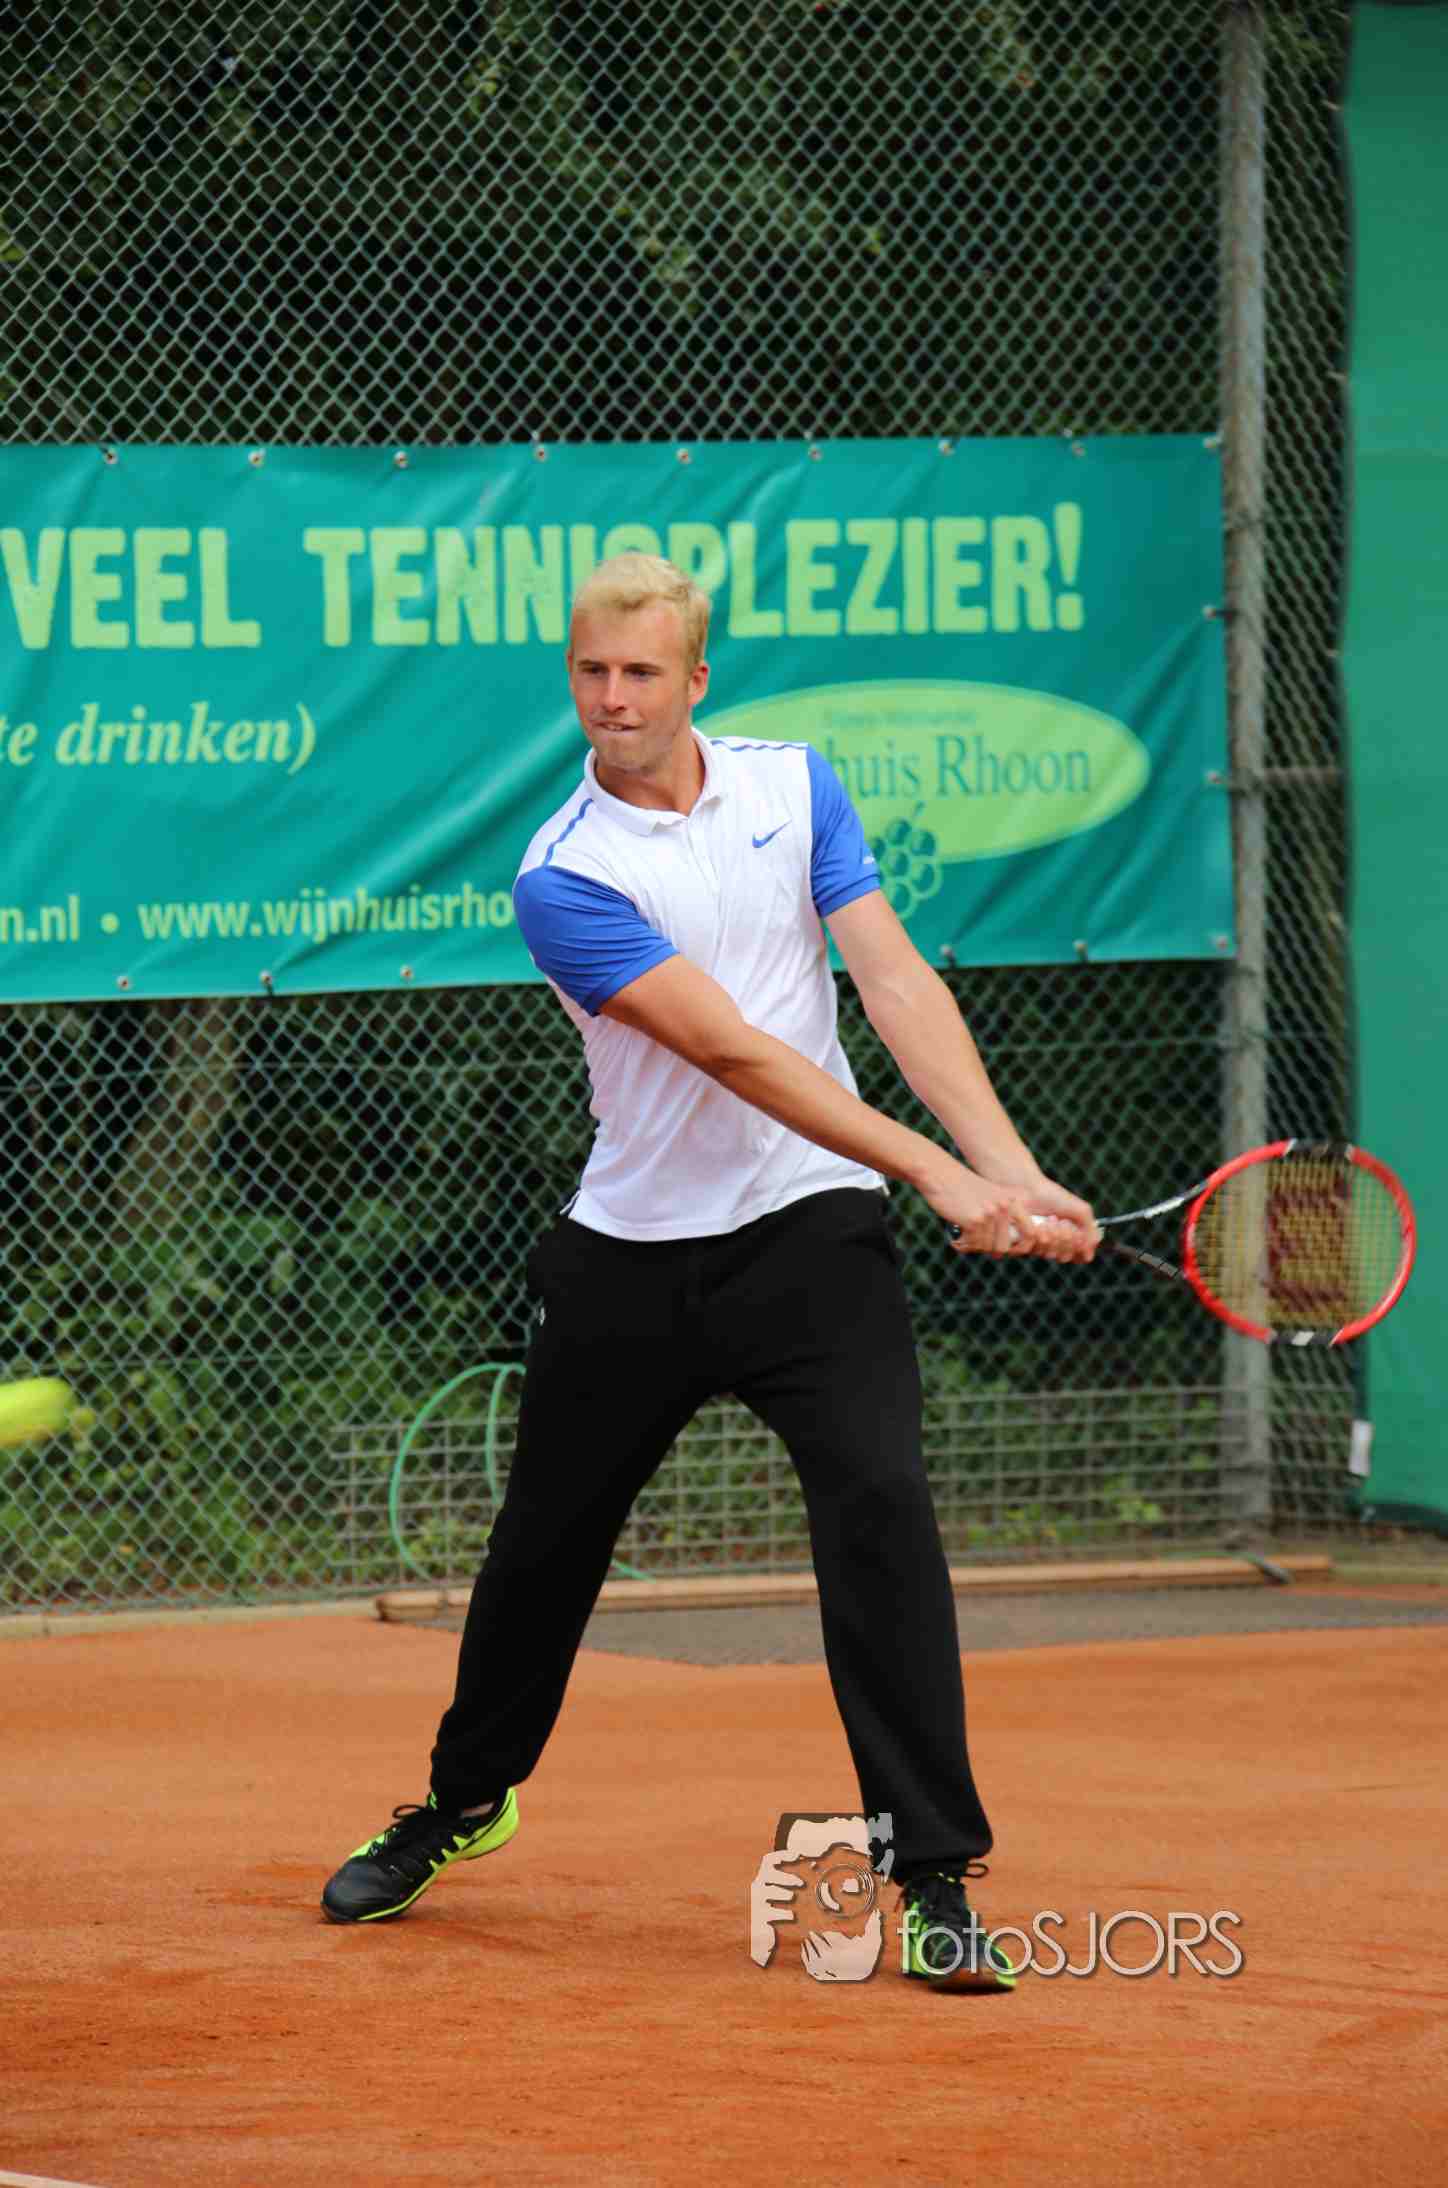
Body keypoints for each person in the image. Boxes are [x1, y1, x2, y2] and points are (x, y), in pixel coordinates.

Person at [321, 551, 1098, 1987]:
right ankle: (462, 1801)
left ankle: (933, 1871)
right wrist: (939, 1174)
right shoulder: (564, 874)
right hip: (633, 1254)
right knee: (543, 1549)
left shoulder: (794, 788)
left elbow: (892, 978)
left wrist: (1009, 1163)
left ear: (696, 679)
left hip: (812, 1234)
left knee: (881, 1509)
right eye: (590, 673)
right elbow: (736, 1052)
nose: (612, 699)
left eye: (640, 673)